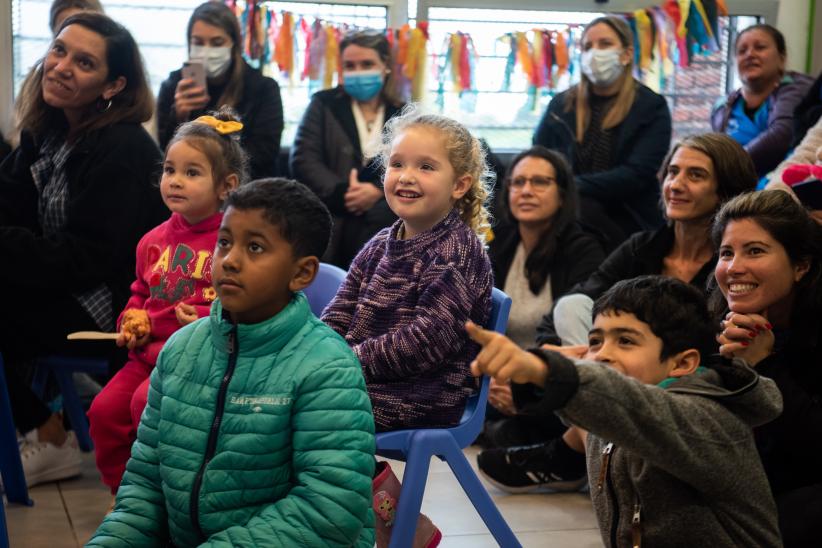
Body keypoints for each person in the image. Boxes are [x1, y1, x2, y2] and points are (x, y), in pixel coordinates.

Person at [87, 179, 376, 547]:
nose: (230, 261)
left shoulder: (327, 368)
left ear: (302, 273)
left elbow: (329, 512)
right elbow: (145, 486)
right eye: (224, 243)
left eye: (255, 247)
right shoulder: (180, 350)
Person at [477, 133, 758, 492]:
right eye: (672, 172)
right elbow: (573, 306)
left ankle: (571, 453)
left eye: (695, 175)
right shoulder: (644, 246)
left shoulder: (731, 263)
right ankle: (588, 447)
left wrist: (570, 365)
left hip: (683, 384)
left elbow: (710, 352)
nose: (676, 184)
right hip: (617, 379)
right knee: (573, 307)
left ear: (725, 190)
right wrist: (560, 352)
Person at [467, 275, 783, 547]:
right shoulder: (607, 421)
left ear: (683, 363)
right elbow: (603, 402)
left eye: (626, 341)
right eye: (595, 341)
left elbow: (642, 411)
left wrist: (544, 371)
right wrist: (534, 382)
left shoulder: (709, 419)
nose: (603, 355)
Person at [0, 12, 167, 487]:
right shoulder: (48, 132)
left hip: (109, 307)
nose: (61, 66)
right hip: (57, 285)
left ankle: (49, 434)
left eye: (84, 62)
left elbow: (84, 258)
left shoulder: (123, 147)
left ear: (112, 84)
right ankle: (42, 426)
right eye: (59, 50)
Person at [321, 108, 493, 547]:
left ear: (460, 185)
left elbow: (424, 343)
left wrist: (342, 364)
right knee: (294, 400)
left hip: (425, 391)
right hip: (368, 382)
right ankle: (383, 523)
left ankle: (390, 528)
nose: (406, 176)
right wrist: (318, 353)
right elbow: (340, 313)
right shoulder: (382, 242)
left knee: (312, 411)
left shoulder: (458, 251)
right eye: (397, 164)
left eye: (426, 166)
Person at [86, 108, 247, 497]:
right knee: (104, 411)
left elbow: (246, 302)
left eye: (192, 173)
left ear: (226, 186)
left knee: (146, 407)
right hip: (146, 358)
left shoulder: (234, 243)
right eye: (169, 170)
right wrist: (131, 317)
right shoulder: (152, 240)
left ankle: (163, 498)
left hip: (199, 364)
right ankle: (124, 497)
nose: (175, 181)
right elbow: (141, 291)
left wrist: (210, 316)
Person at [711, 190, 822, 546]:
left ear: (801, 265)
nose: (734, 268)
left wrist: (764, 363)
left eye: (755, 251)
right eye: (726, 253)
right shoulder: (714, 324)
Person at [484, 146, 603, 446]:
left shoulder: (583, 249)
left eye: (539, 182)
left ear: (562, 194)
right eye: (518, 182)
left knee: (507, 435)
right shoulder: (500, 246)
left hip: (553, 378)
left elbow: (577, 343)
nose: (526, 191)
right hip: (503, 378)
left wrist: (522, 385)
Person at [533, 15, 671, 252]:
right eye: (587, 47)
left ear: (627, 54)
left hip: (629, 217)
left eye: (605, 44)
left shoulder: (651, 106)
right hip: (565, 213)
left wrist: (572, 186)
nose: (594, 53)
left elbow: (637, 174)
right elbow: (539, 158)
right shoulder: (561, 105)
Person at [290, 30, 405, 268]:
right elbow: (304, 158)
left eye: (367, 64)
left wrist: (376, 191)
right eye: (350, 65)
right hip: (329, 217)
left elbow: (409, 164)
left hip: (382, 222)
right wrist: (344, 193)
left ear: (385, 66)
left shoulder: (402, 113)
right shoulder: (323, 103)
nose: (358, 71)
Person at [156, 1, 283, 180]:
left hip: (245, 192)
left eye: (217, 42)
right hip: (189, 190)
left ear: (234, 44)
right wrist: (178, 118)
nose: (207, 50)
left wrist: (212, 176)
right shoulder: (174, 85)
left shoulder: (263, 89)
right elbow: (163, 154)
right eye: (198, 42)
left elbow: (264, 154)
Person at [711, 24, 813, 179]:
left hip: (784, 190)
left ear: (782, 59)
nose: (750, 54)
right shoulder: (722, 107)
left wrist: (730, 166)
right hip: (734, 193)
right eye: (742, 51)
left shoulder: (799, 88)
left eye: (760, 47)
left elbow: (782, 134)